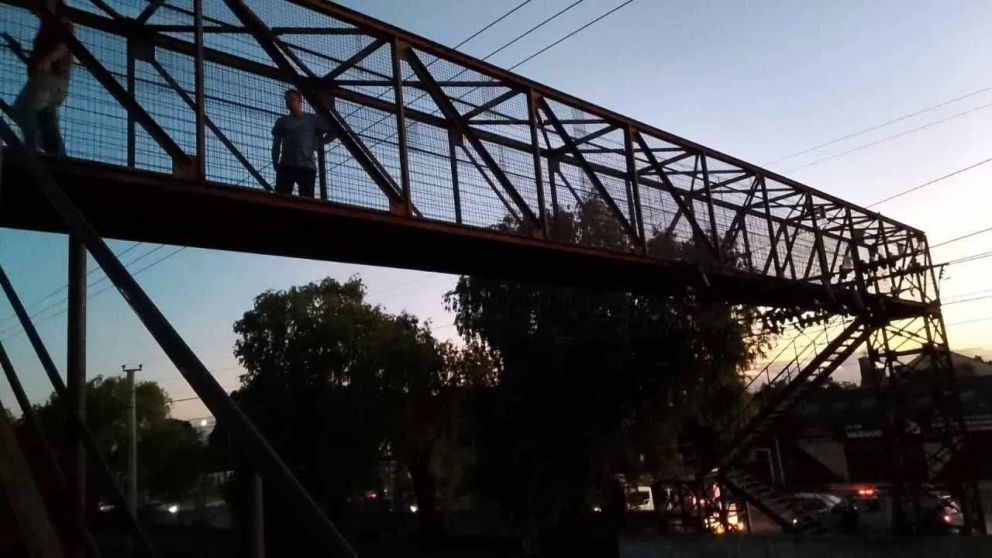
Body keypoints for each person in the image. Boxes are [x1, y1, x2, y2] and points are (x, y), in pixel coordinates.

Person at [12, 2, 73, 156]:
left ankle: (31, 148)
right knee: (47, 122)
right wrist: (20, 53)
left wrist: (48, 59)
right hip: (46, 80)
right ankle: (59, 157)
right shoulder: (46, 26)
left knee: (23, 109)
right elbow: (38, 62)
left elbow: (63, 46)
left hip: (50, 81)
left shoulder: (60, 23)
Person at [271, 89, 334, 198]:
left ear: (300, 101)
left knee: (306, 199)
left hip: (307, 166)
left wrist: (319, 144)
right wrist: (275, 161)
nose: (288, 102)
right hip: (287, 164)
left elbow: (333, 131)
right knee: (281, 198)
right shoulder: (282, 121)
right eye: (286, 100)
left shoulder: (312, 119)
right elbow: (276, 143)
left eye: (291, 99)